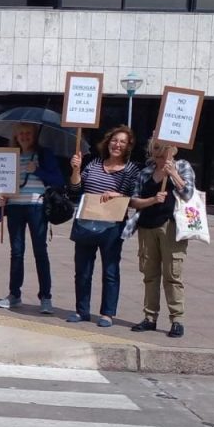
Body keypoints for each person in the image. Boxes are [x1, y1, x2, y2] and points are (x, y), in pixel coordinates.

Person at [66, 125, 140, 326]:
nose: (117, 145)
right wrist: (76, 170)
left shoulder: (131, 170)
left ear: (128, 147)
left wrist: (120, 195)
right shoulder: (93, 163)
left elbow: (133, 196)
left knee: (110, 271)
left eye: (122, 142)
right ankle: (82, 311)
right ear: (108, 142)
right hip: (86, 223)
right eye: (115, 140)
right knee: (82, 271)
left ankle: (107, 313)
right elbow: (75, 189)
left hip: (112, 227)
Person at [127, 137, 197, 338]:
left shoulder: (182, 166)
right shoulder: (146, 171)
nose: (159, 152)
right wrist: (151, 200)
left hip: (171, 228)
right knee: (150, 275)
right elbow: (133, 200)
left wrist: (173, 174)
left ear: (173, 149)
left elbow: (189, 195)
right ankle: (150, 317)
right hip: (147, 227)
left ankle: (177, 319)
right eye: (155, 147)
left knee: (172, 275)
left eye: (163, 148)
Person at [0, 122, 64, 313]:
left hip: (37, 206)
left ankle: (46, 297)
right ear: (15, 136)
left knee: (40, 252)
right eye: (21, 133)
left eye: (28, 133)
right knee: (16, 252)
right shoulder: (9, 156)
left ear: (34, 136)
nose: (24, 136)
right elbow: (2, 183)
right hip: (15, 207)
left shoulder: (44, 154)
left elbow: (58, 180)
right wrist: (1, 196)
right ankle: (14, 294)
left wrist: (38, 170)